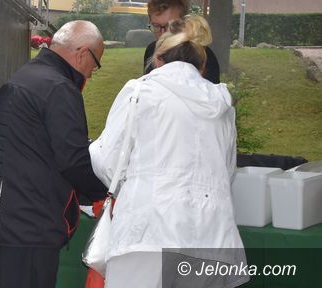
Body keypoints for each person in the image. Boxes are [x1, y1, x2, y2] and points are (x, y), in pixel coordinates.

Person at [90, 15, 248, 288]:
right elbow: (227, 171)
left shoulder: (139, 92)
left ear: (158, 59)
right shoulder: (221, 106)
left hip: (147, 232)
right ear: (202, 66)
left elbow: (108, 162)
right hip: (212, 236)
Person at [0, 20, 108, 288]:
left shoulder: (27, 75)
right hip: (26, 228)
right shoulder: (59, 88)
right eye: (96, 64)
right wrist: (104, 192)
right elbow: (73, 160)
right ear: (82, 54)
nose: (91, 74)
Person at [143, 0, 220, 83]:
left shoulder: (202, 56)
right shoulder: (151, 50)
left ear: (183, 23)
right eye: (156, 26)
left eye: (170, 26)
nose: (163, 34)